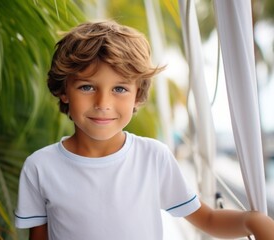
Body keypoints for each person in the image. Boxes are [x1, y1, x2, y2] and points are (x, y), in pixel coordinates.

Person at [15, 20, 274, 240]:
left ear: (137, 96)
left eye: (119, 89)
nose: (103, 104)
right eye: (87, 87)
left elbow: (206, 218)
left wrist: (253, 222)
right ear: (63, 91)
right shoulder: (40, 167)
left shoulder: (154, 157)